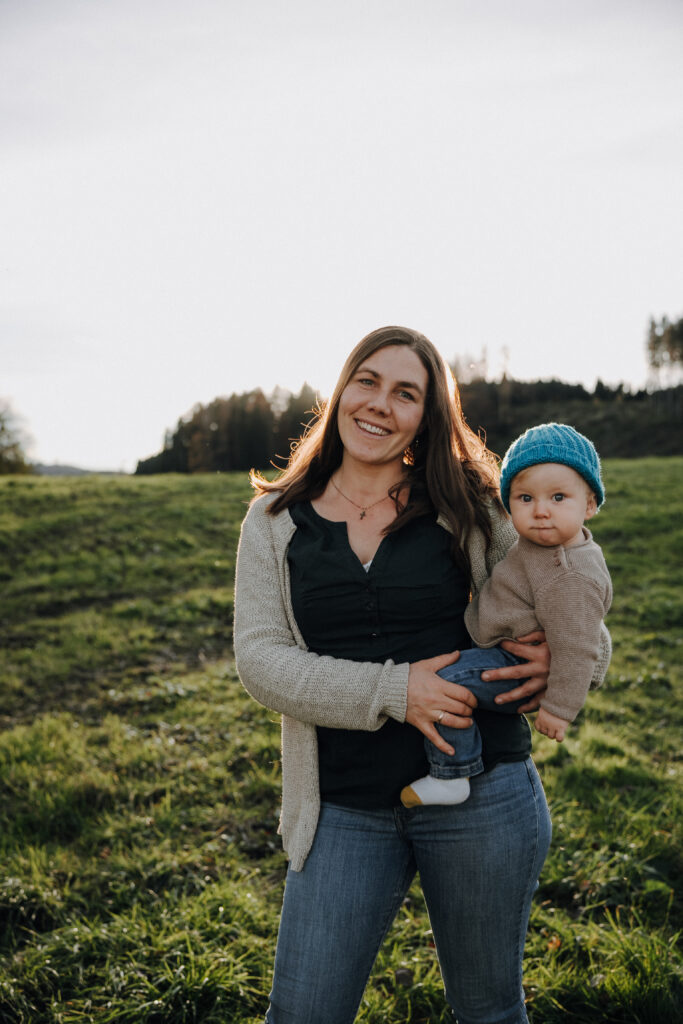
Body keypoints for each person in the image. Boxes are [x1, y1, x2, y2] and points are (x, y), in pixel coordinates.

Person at [233, 327, 611, 1024]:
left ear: (426, 415)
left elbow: (571, 595)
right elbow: (260, 661)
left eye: (405, 393)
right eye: (367, 381)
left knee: (488, 1010)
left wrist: (564, 661)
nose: (380, 403)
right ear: (341, 390)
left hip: (484, 798)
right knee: (303, 1013)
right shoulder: (274, 520)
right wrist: (396, 691)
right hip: (342, 804)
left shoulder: (467, 501)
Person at [400, 423, 613, 809]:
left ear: (589, 505)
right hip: (497, 648)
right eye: (525, 498)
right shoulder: (537, 543)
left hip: (512, 664)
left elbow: (579, 647)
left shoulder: (569, 574)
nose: (541, 511)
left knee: (445, 684)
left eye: (559, 497)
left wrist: (559, 710)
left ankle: (453, 773)